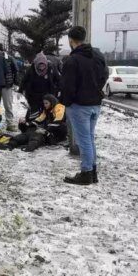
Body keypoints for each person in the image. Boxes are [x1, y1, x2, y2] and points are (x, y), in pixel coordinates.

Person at [60, 26, 108, 185]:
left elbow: (67, 85)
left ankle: (87, 172)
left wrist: (67, 102)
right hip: (95, 103)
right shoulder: (98, 56)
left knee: (84, 140)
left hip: (79, 106)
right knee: (89, 138)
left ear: (70, 40)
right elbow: (105, 75)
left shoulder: (72, 60)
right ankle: (92, 171)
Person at [0, 94, 66, 152]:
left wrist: (46, 130)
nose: (45, 105)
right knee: (29, 133)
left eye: (46, 103)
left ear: (52, 102)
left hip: (58, 131)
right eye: (44, 103)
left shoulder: (59, 107)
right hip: (48, 128)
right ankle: (11, 144)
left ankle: (30, 146)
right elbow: (40, 119)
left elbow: (58, 121)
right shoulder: (47, 110)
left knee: (38, 135)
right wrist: (28, 124)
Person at [19, 52, 60, 116]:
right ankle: (33, 122)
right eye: (40, 66)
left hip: (47, 93)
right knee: (35, 111)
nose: (41, 67)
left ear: (46, 64)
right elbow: (24, 80)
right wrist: (20, 90)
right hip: (33, 94)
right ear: (36, 64)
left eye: (43, 65)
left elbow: (58, 79)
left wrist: (58, 89)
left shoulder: (51, 67)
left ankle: (46, 123)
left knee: (47, 111)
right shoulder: (32, 69)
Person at [0, 43, 19, 130]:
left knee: (8, 105)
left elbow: (16, 70)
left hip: (7, 85)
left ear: (2, 50)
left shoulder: (9, 58)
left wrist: (15, 83)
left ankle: (10, 123)